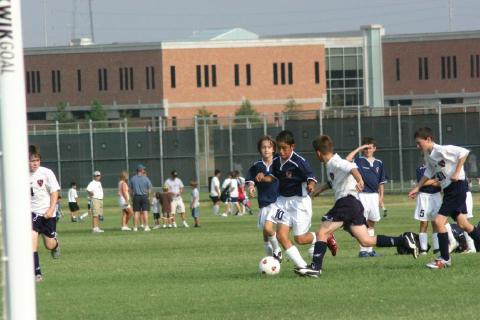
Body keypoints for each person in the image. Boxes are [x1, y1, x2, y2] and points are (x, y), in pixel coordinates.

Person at [295, 135, 418, 278]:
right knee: (366, 241)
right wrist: (317, 192)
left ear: (317, 153)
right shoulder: (332, 164)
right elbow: (332, 182)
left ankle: (316, 267)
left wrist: (360, 180)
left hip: (346, 202)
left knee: (323, 232)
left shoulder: (336, 162)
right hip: (354, 204)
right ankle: (403, 240)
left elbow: (352, 166)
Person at [257, 130, 337, 272]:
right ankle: (302, 266)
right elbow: (273, 177)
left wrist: (311, 186)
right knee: (279, 234)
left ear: (292, 146)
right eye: (279, 148)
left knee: (300, 239)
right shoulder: (276, 161)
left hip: (299, 203)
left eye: (284, 148)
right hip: (281, 202)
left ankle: (324, 236)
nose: (281, 151)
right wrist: (263, 177)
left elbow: (311, 177)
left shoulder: (299, 161)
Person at [408, 127, 480, 269]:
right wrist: (417, 188)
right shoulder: (429, 156)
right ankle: (445, 258)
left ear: (428, 139)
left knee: (438, 221)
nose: (417, 146)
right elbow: (428, 172)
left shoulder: (441, 150)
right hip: (448, 190)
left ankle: (444, 259)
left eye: (419, 142)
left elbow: (464, 153)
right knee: (463, 225)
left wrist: (457, 172)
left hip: (457, 187)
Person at [346, 137, 387, 257]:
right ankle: (362, 250)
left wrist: (381, 198)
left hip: (374, 196)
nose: (368, 150)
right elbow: (347, 159)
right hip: (362, 195)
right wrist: (359, 148)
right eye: (366, 148)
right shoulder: (358, 161)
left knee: (372, 222)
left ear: (374, 148)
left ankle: (369, 250)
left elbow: (381, 182)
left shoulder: (379, 163)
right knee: (362, 223)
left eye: (370, 147)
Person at [246, 136, 283, 261]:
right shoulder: (257, 165)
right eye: (263, 147)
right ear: (259, 149)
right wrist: (251, 187)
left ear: (273, 149)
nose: (266, 150)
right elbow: (250, 179)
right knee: (265, 234)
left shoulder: (279, 162)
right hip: (263, 203)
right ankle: (269, 259)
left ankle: (277, 251)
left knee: (268, 228)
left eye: (269, 147)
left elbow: (276, 177)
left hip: (277, 201)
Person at [29, 145, 61, 282]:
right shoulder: (18, 174)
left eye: (36, 160)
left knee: (49, 245)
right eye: (31, 160)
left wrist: (51, 209)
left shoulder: (46, 173)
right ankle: (37, 272)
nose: (34, 163)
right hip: (31, 214)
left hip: (47, 214)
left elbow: (55, 192)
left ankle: (56, 244)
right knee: (32, 240)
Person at [129, 164, 153, 232]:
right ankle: (146, 227)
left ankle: (135, 227)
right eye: (143, 169)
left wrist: (131, 197)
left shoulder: (133, 178)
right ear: (141, 170)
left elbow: (130, 190)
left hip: (136, 196)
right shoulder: (146, 178)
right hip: (144, 196)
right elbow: (150, 188)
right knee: (145, 211)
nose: (144, 170)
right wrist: (149, 196)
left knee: (136, 212)